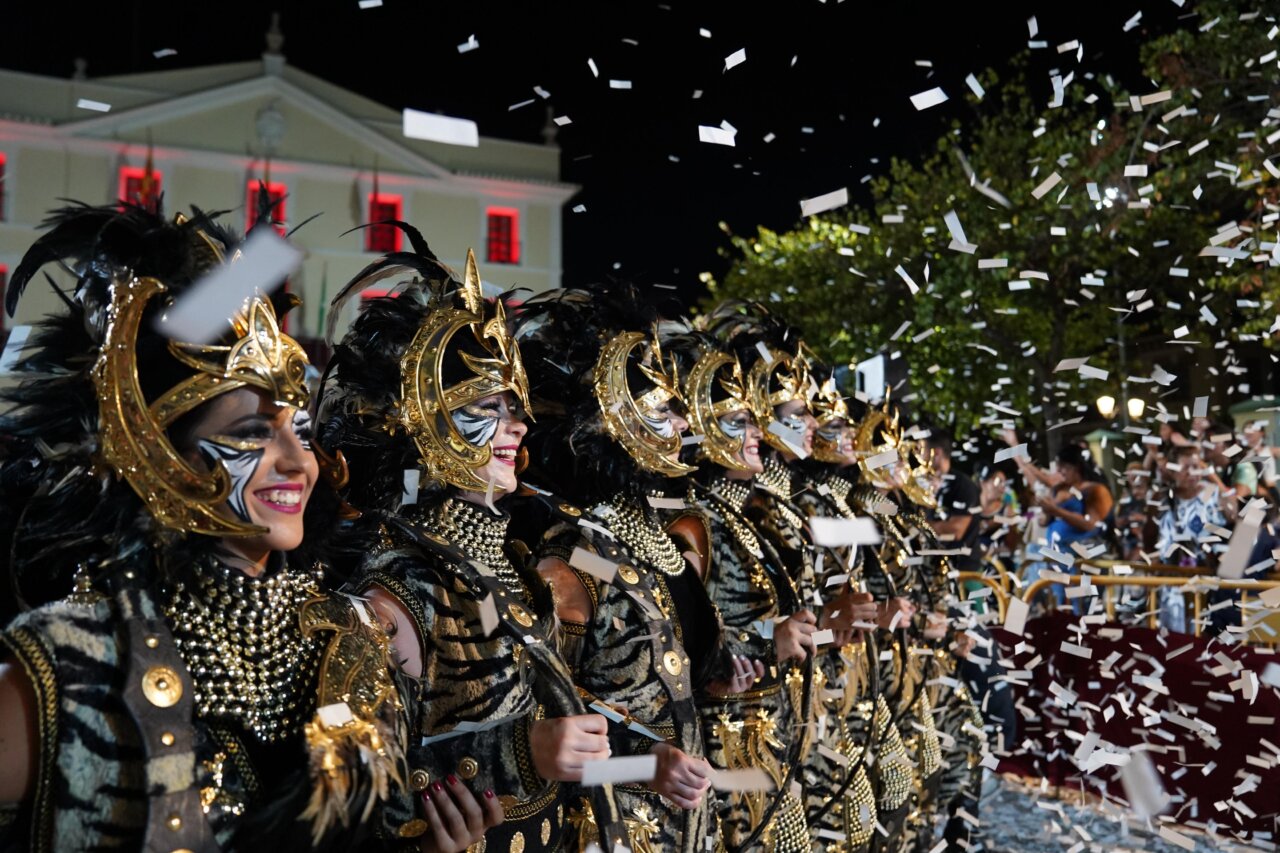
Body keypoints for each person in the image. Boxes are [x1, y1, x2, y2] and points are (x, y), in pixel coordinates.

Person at [0, 202, 495, 852]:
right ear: (156, 449)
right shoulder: (66, 668)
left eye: (300, 429)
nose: (298, 461)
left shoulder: (355, 643)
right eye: (253, 432)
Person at [317, 238, 624, 851]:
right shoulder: (399, 587)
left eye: (516, 406)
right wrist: (517, 752)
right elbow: (370, 789)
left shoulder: (509, 562)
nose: (519, 424)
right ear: (430, 424)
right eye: (489, 406)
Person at [514, 284, 715, 852]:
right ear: (613, 419)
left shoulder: (649, 536)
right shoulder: (571, 557)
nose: (682, 424)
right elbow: (548, 730)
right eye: (665, 409)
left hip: (689, 819)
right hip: (611, 830)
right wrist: (640, 764)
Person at [1147, 444, 1227, 632]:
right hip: (1172, 582)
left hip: (1207, 580)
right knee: (1174, 640)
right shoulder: (1161, 497)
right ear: (1172, 470)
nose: (1192, 473)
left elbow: (1237, 518)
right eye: (1185, 468)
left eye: (1196, 466)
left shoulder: (1212, 492)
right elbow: (1149, 538)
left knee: (1204, 639)